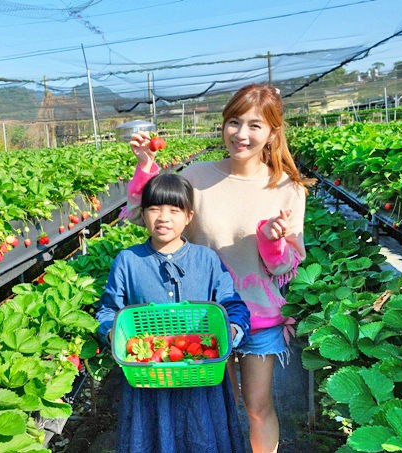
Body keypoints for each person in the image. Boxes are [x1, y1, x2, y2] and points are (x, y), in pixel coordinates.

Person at [121, 83, 314, 453]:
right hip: (202, 317)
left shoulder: (288, 188)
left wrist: (272, 241)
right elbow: (138, 216)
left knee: (258, 408)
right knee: (221, 408)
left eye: (255, 125)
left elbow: (288, 264)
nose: (241, 134)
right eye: (234, 122)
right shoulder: (196, 177)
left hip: (259, 316)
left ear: (273, 132)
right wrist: (146, 168)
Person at [97, 172, 251, 453]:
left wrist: (232, 329)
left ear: (189, 216)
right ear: (142, 214)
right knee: (151, 438)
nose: (163, 217)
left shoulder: (206, 259)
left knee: (202, 435)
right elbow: (109, 309)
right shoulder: (128, 261)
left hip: (200, 373)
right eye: (154, 208)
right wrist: (111, 332)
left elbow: (233, 304)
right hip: (147, 374)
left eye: (174, 209)